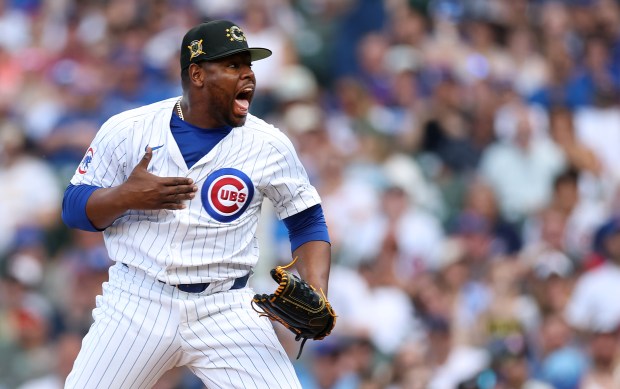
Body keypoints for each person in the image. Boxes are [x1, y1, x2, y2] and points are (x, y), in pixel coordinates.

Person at [60, 19, 332, 388]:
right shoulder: (129, 129)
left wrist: (316, 288)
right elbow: (73, 207)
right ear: (198, 74)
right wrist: (125, 196)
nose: (248, 76)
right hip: (138, 300)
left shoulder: (269, 144)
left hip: (227, 306)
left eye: (249, 65)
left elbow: (307, 220)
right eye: (233, 66)